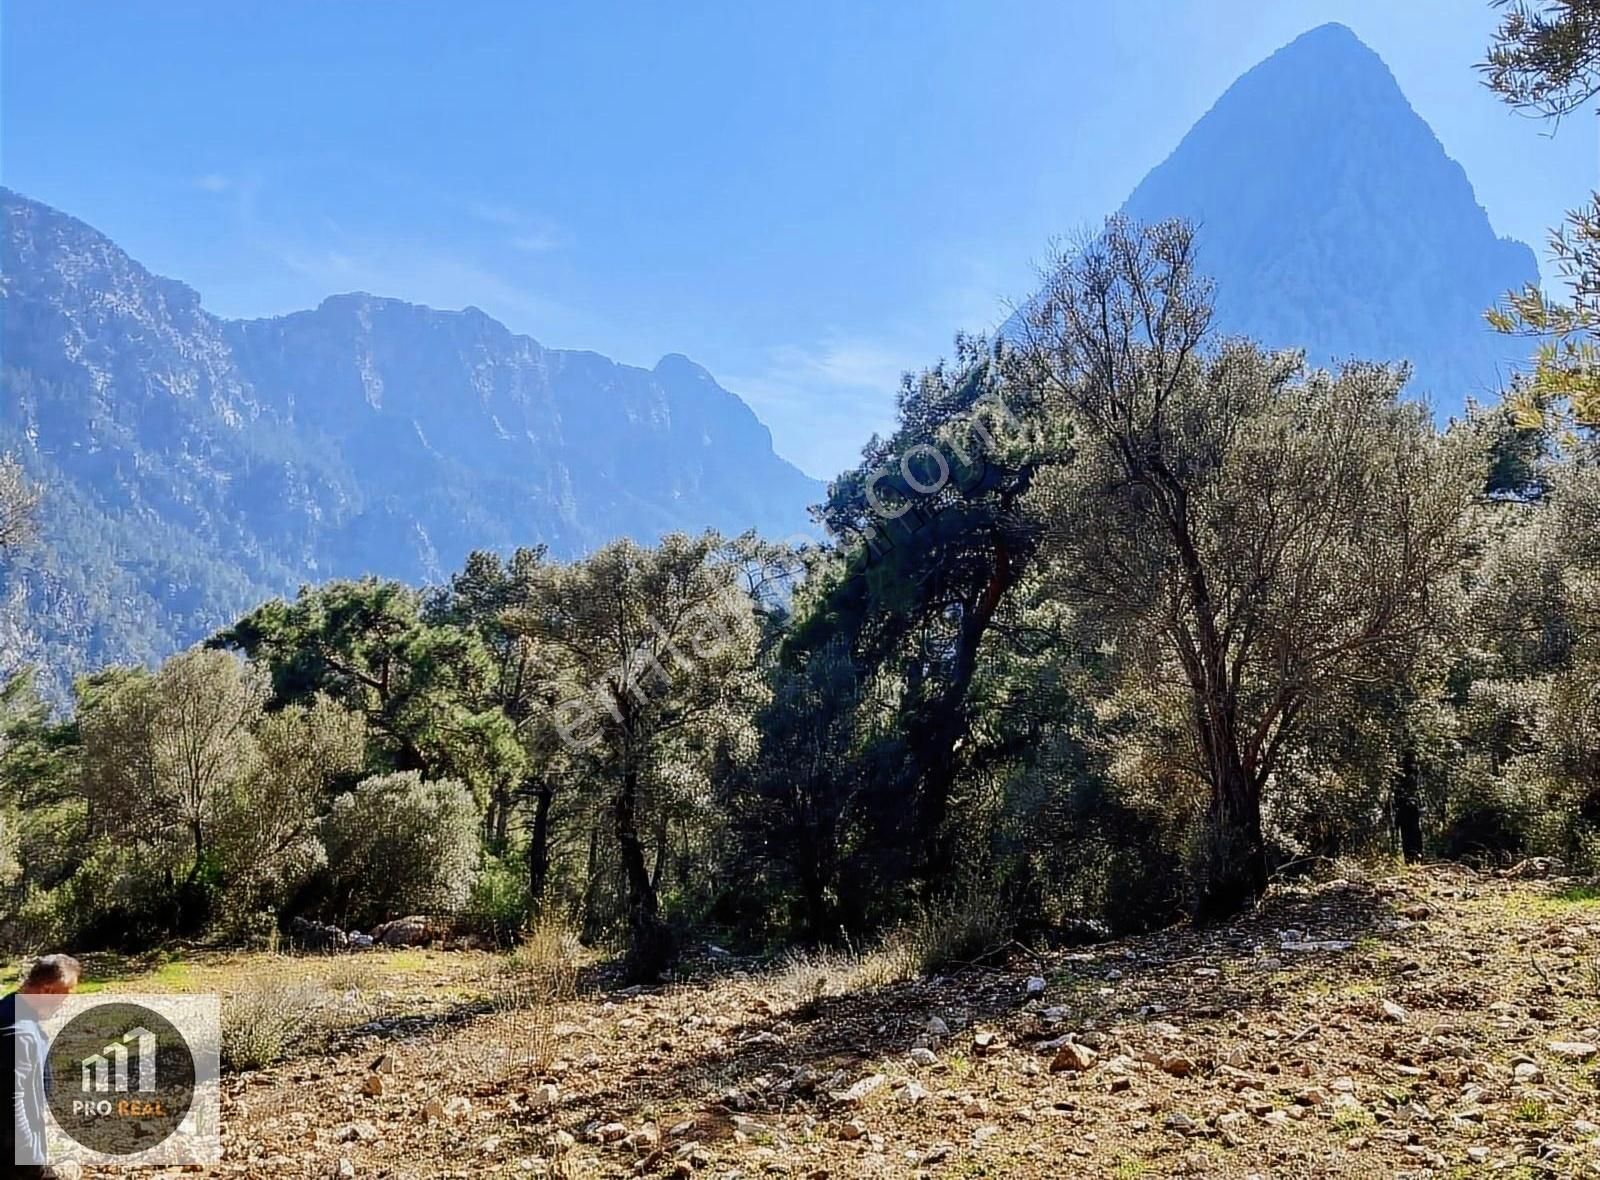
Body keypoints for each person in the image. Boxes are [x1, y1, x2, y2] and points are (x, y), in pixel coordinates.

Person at [3, 954, 81, 1179]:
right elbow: (11, 1108)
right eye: (64, 997)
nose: (63, 1006)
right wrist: (34, 1166)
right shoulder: (17, 1032)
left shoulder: (10, 1008)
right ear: (47, 991)